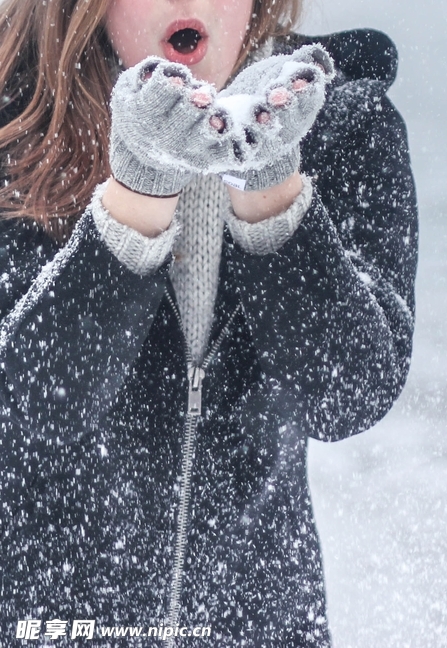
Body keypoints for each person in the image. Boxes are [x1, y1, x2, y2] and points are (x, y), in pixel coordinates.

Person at [0, 0, 417, 644]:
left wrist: (272, 187)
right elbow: (29, 409)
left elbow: (347, 395)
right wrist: (138, 191)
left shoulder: (341, 125)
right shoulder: (16, 129)